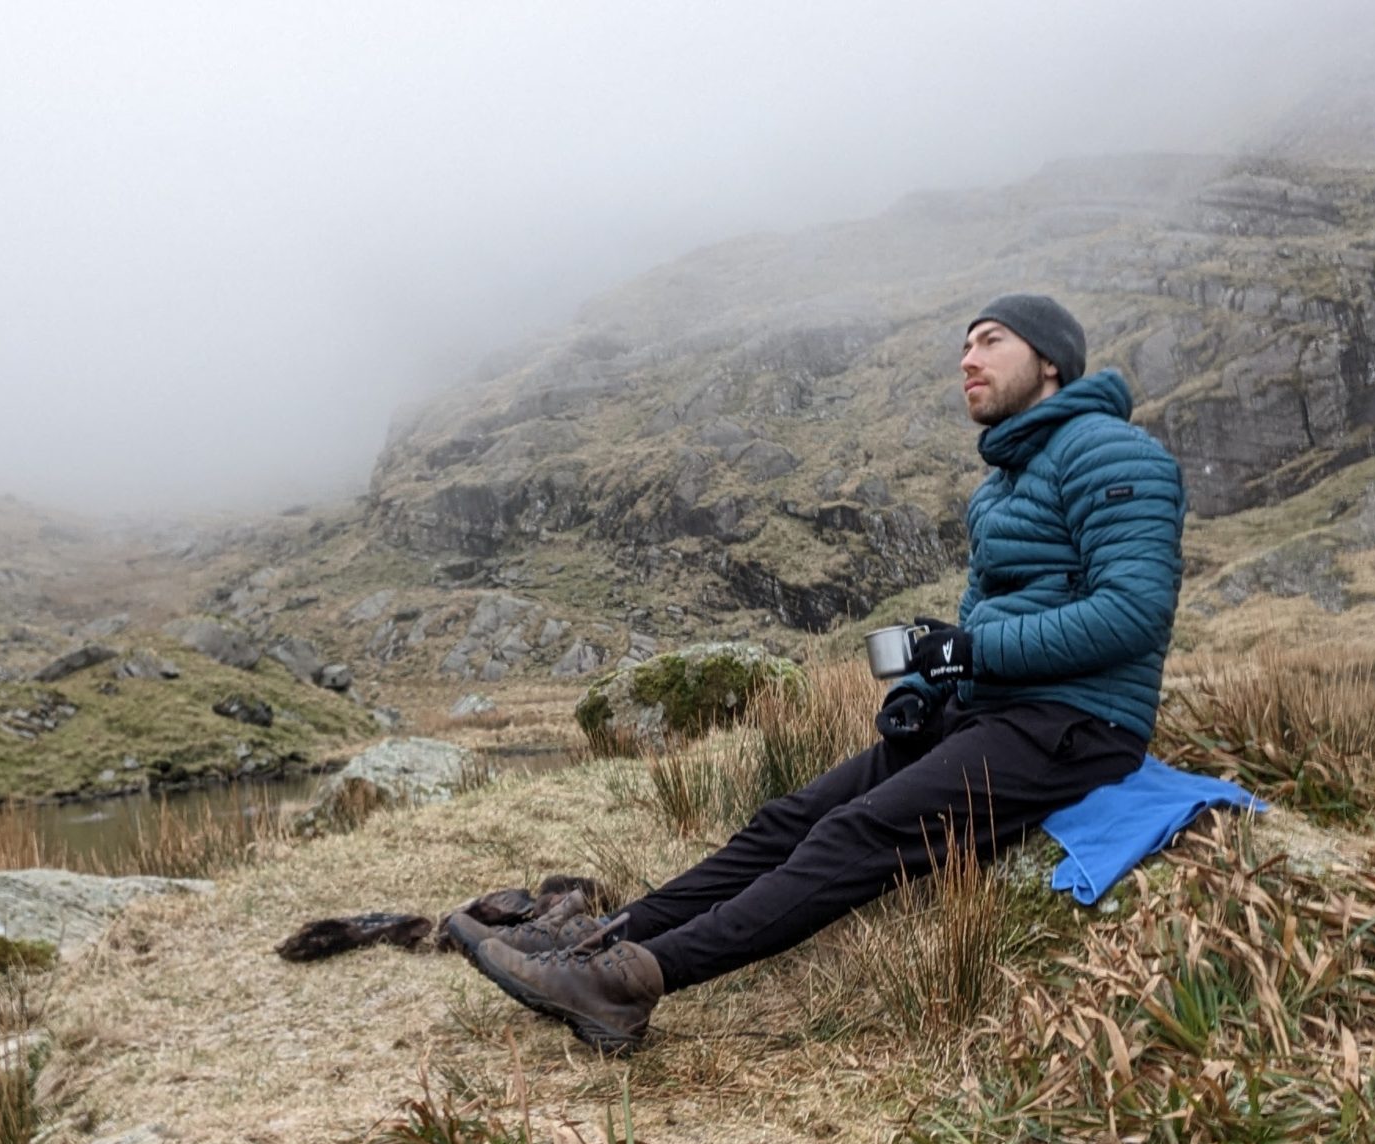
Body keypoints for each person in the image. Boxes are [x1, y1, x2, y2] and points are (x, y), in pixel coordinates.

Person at [450, 294, 1187, 1054]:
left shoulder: (1114, 454)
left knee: (855, 833)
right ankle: (598, 942)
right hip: (990, 710)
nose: (967, 359)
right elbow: (980, 615)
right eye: (964, 346)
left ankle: (626, 986)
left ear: (1050, 360)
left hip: (1074, 725)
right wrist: (921, 688)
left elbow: (1132, 611)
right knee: (785, 821)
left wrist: (971, 656)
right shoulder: (1001, 482)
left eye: (990, 342)